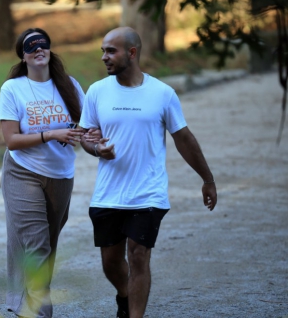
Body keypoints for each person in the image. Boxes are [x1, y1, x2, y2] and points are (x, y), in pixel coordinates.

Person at [79, 27, 217, 318]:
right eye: (103, 51)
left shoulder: (162, 94)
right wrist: (96, 149)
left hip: (148, 193)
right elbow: (85, 137)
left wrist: (207, 179)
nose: (104, 57)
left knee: (138, 255)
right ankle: (124, 295)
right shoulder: (97, 91)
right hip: (108, 193)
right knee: (111, 263)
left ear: (132, 52)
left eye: (110, 51)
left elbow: (184, 139)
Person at [0, 28, 86, 318]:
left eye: (42, 44)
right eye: (31, 46)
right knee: (37, 247)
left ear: (49, 49)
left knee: (46, 246)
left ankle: (24, 304)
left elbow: (84, 131)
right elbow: (12, 140)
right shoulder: (13, 89)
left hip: (61, 175)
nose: (38, 49)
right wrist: (50, 133)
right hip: (23, 172)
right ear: (23, 55)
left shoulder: (69, 85)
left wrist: (93, 141)